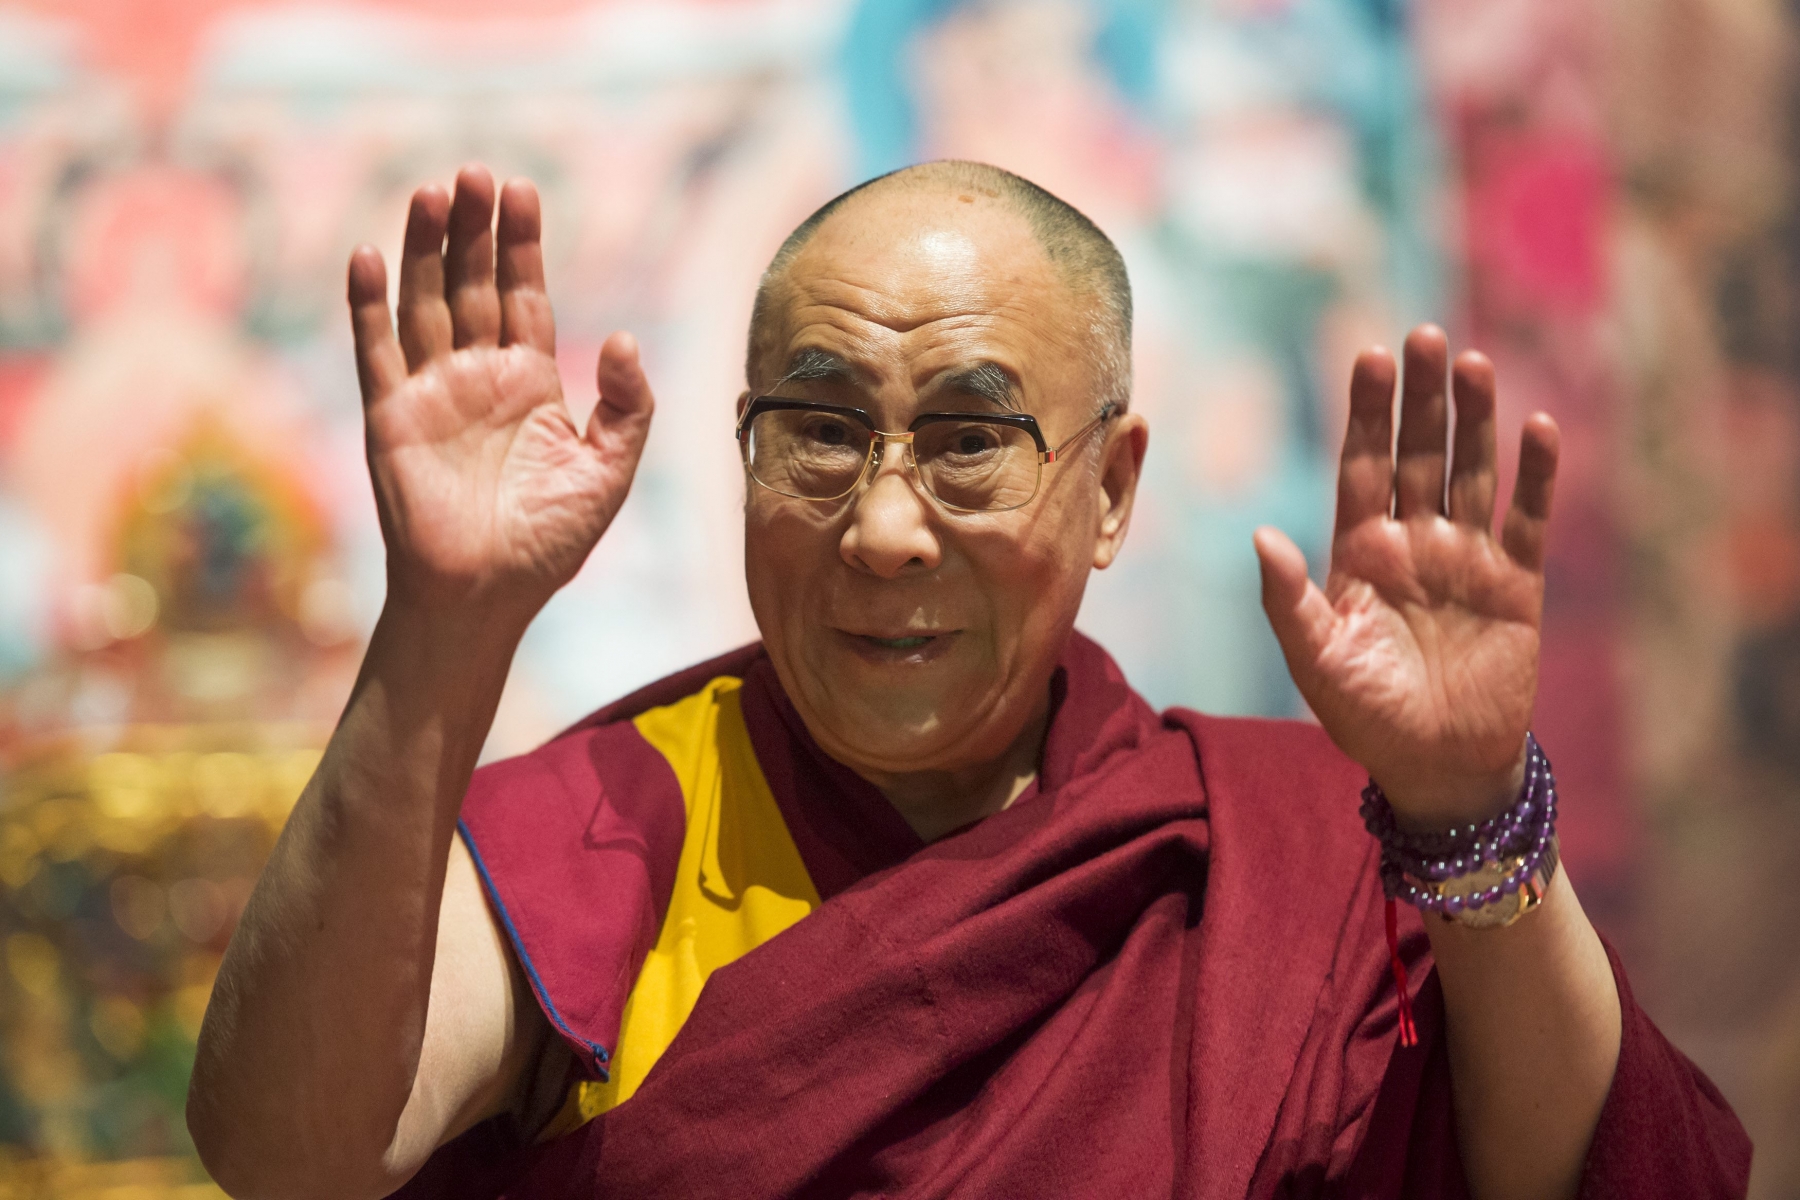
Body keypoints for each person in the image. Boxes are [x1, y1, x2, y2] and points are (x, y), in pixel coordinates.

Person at [185, 160, 1750, 1200]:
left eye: (969, 439)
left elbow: (1608, 1177)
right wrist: (443, 629)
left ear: (1115, 487)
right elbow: (288, 1157)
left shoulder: (1279, 853)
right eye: (816, 428)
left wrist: (1472, 810)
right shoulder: (622, 821)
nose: (881, 529)